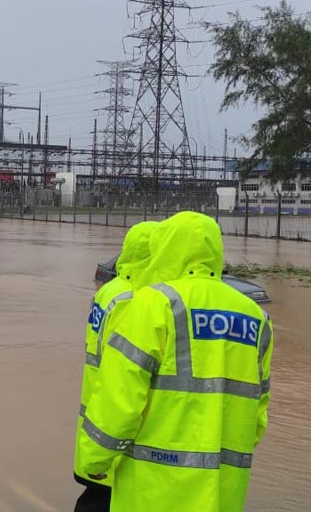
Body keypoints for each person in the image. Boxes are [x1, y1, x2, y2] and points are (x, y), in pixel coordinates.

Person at [77, 212, 274, 512]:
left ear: (165, 247)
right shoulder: (256, 317)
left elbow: (121, 399)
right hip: (223, 491)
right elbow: (257, 413)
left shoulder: (153, 304)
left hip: (154, 488)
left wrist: (95, 459)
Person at [73, 221, 157, 512]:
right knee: (106, 499)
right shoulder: (137, 300)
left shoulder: (109, 292)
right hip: (118, 424)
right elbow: (128, 375)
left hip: (95, 413)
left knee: (93, 498)